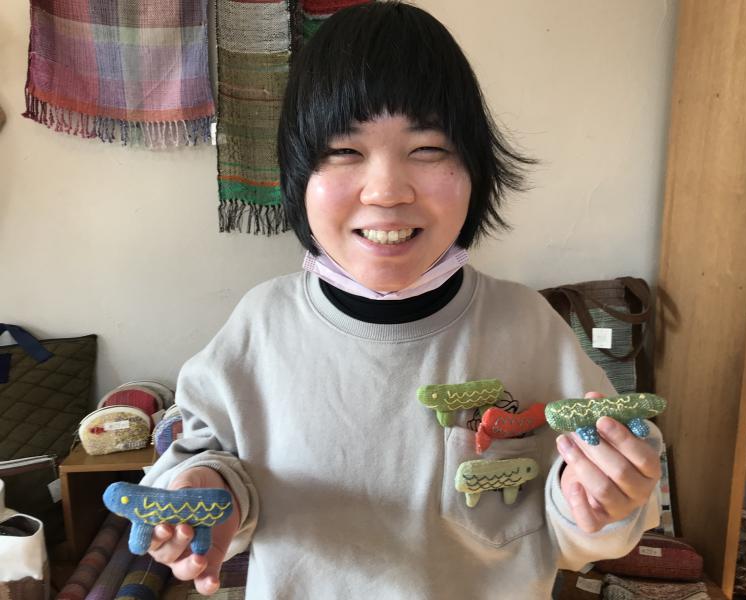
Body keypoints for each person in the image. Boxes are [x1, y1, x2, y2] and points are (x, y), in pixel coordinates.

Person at [141, 3, 663, 598]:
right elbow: (199, 459)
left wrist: (601, 501)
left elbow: (588, 526)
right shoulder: (260, 327)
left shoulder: (529, 328)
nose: (387, 190)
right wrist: (204, 497)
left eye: (428, 149)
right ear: (298, 174)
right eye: (344, 151)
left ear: (475, 168)